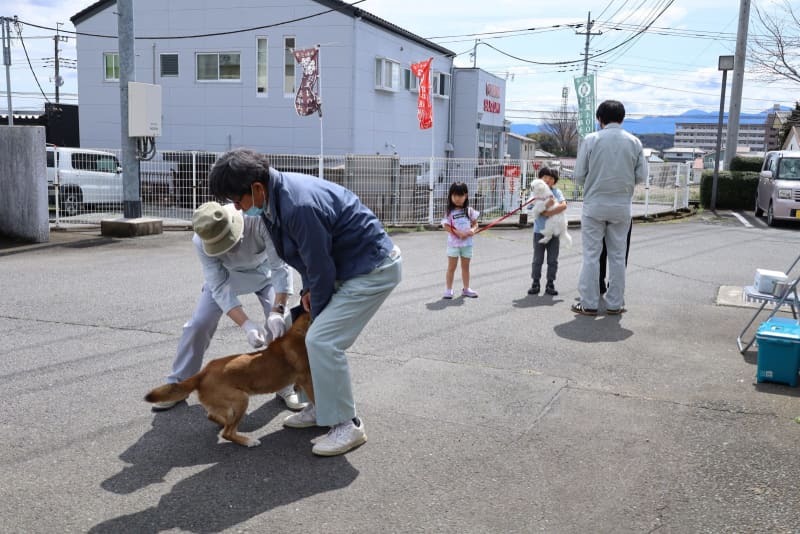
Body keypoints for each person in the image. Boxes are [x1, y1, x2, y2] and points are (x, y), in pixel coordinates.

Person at [208, 148, 402, 457]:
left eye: (237, 200)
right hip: (345, 269)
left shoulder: (297, 205)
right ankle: (321, 406)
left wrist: (315, 304)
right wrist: (309, 290)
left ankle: (346, 424)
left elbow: (321, 266)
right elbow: (310, 260)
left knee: (322, 340)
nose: (237, 208)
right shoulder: (273, 200)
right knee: (291, 328)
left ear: (256, 189)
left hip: (371, 270)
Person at [153, 201, 304, 412]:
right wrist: (247, 325)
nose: (228, 250)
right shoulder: (200, 238)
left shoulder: (257, 220)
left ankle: (285, 385)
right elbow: (219, 287)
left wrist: (278, 310)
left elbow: (280, 267)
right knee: (198, 324)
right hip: (227, 278)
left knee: (283, 323)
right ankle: (179, 384)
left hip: (265, 274)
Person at [571, 100, 648, 316]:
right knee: (617, 255)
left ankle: (589, 303)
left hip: (594, 205)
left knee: (591, 255)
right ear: (622, 119)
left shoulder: (591, 140)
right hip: (622, 206)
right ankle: (615, 303)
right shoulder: (634, 142)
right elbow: (641, 176)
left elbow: (578, 177)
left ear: (599, 118)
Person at [526, 167, 567, 296]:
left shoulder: (557, 191)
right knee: (537, 259)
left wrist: (548, 212)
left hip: (554, 232)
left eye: (551, 178)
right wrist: (545, 210)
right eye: (545, 177)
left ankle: (550, 283)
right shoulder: (535, 193)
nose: (548, 180)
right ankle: (535, 283)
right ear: (540, 179)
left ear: (554, 181)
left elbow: (564, 205)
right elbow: (531, 208)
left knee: (552, 260)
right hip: (539, 231)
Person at [441, 182, 480, 299]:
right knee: (451, 267)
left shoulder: (469, 211)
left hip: (467, 244)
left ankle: (466, 289)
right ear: (450, 196)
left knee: (465, 267)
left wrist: (473, 230)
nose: (457, 198)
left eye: (461, 195)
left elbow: (475, 224)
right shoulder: (449, 212)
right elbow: (446, 226)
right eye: (455, 195)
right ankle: (449, 289)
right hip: (453, 245)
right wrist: (458, 233)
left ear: (466, 196)